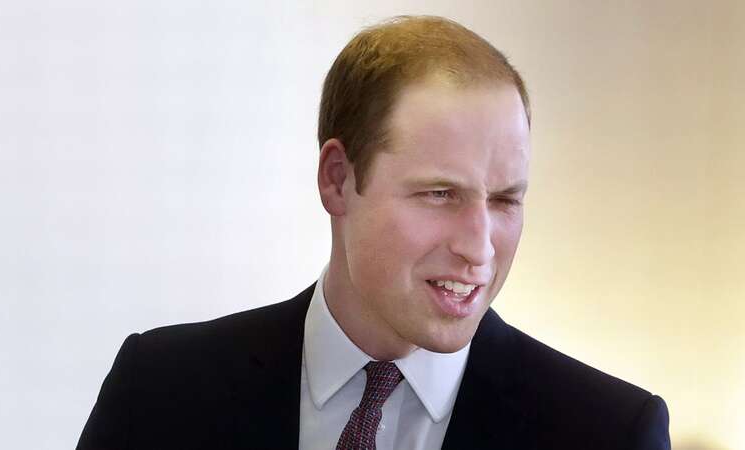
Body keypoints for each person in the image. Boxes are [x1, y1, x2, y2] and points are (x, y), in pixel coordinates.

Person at [77, 15, 670, 450]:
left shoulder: (609, 431)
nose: (480, 246)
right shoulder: (159, 390)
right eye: (440, 194)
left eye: (505, 200)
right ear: (338, 180)